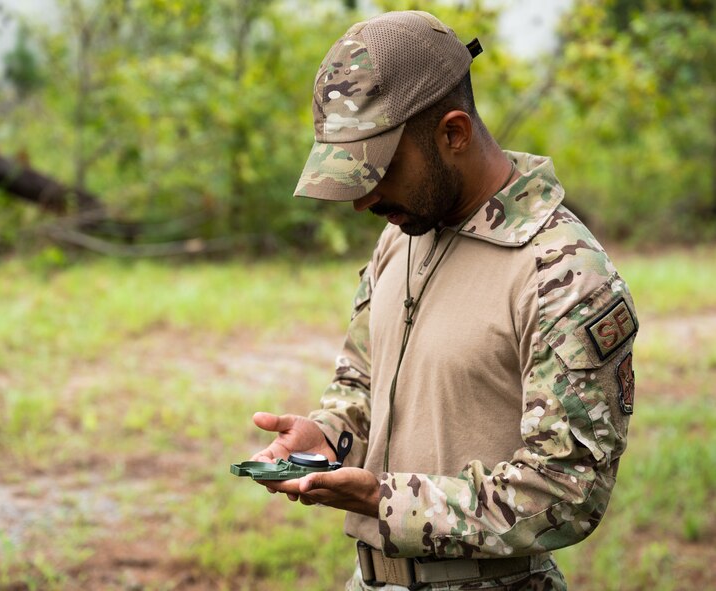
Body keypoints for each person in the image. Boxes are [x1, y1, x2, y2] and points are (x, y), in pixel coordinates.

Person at [250, 10, 638, 590]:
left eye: (378, 169)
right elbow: (361, 381)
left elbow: (564, 491)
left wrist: (384, 499)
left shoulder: (563, 272)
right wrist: (330, 437)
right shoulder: (400, 238)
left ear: (452, 134)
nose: (364, 200)